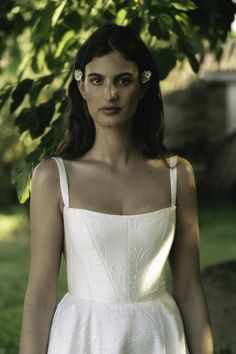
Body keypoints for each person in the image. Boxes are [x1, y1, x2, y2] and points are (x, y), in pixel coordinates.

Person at [19, 24, 214, 354]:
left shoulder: (177, 175)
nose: (110, 94)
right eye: (97, 80)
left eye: (123, 80)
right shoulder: (52, 177)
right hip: (82, 336)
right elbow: (40, 298)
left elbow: (190, 290)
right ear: (81, 86)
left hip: (157, 337)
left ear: (142, 86)